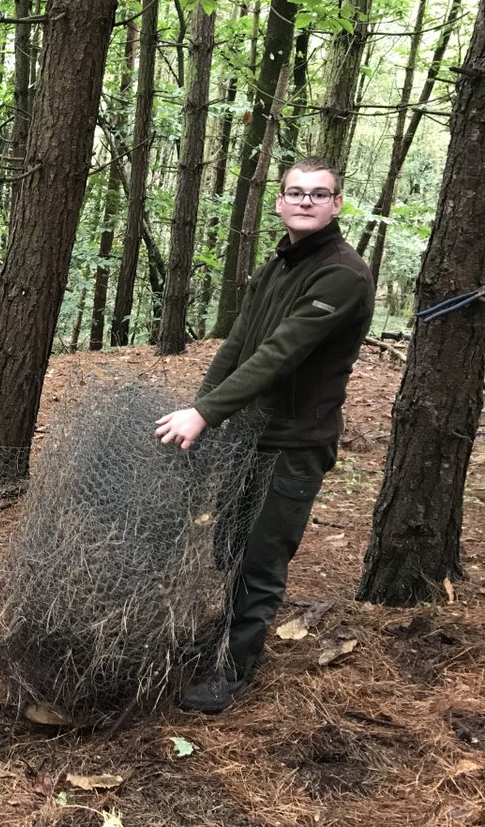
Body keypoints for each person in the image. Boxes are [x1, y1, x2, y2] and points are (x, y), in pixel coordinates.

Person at [155, 157, 375, 713]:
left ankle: (233, 670)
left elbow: (281, 354)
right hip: (248, 434)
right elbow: (239, 346)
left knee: (261, 557)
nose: (305, 201)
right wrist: (202, 407)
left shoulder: (341, 275)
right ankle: (229, 633)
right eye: (295, 192)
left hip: (295, 442)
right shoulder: (276, 266)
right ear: (278, 202)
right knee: (229, 543)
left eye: (318, 194)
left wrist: (207, 413)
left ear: (335, 205)